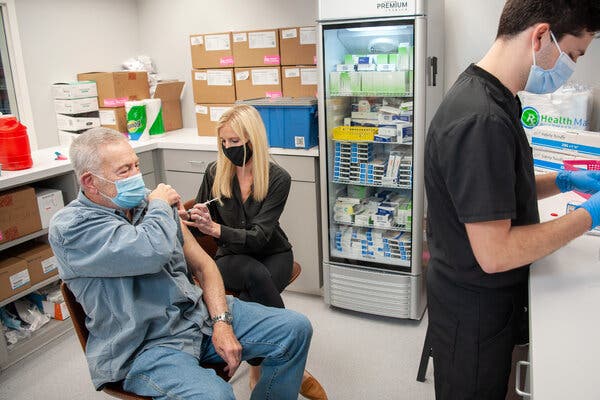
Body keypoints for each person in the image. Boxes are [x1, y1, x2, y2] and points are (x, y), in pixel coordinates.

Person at [48, 127, 313, 400]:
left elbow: (204, 266)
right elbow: (151, 251)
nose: (136, 177)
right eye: (124, 171)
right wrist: (162, 207)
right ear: (90, 181)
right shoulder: (71, 228)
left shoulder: (146, 204)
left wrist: (221, 323)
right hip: (145, 346)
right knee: (217, 396)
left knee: (295, 329)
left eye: (137, 165)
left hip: (195, 316)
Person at [424, 1, 600, 399]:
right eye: (572, 54)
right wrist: (589, 216)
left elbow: (498, 190)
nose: (571, 64)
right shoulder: (480, 119)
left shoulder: (496, 96)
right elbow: (495, 253)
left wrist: (564, 179)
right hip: (474, 317)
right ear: (540, 36)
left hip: (484, 304)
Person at [183, 104, 327, 400]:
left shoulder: (278, 178)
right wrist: (193, 220)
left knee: (254, 291)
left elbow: (261, 238)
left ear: (253, 140)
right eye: (223, 142)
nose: (228, 148)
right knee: (252, 274)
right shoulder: (214, 171)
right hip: (230, 256)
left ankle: (257, 365)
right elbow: (201, 231)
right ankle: (288, 360)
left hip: (272, 252)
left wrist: (216, 229)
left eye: (234, 141)